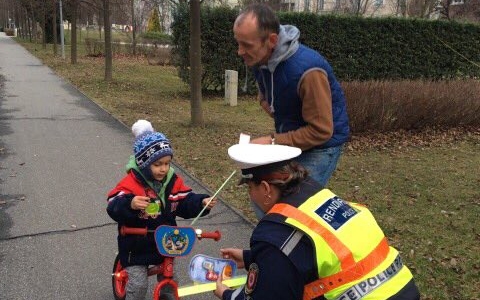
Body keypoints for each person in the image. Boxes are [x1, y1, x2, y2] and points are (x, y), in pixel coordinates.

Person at [214, 143, 420, 300]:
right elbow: (310, 252)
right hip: (404, 288)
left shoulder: (275, 233)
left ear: (266, 189)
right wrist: (251, 258)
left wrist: (228, 295)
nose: (250, 195)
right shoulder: (317, 194)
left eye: (250, 188)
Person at [233, 3, 350, 188]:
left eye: (246, 45)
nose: (239, 51)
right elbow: (266, 95)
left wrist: (272, 141)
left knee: (293, 203)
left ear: (271, 40)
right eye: (238, 43)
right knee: (262, 191)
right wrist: (266, 102)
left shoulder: (309, 71)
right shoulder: (260, 59)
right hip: (291, 140)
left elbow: (321, 131)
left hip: (321, 146)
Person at [106, 120, 217, 300]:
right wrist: (131, 204)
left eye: (167, 163)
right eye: (157, 164)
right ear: (143, 163)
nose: (163, 169)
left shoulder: (172, 182)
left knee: (170, 279)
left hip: (166, 242)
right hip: (136, 243)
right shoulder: (130, 184)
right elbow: (113, 203)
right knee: (139, 284)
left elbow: (184, 200)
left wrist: (201, 202)